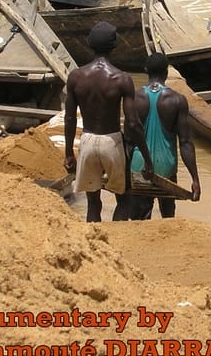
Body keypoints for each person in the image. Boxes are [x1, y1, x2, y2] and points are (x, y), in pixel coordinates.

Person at [64, 22, 153, 222]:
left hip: (87, 141)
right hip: (112, 141)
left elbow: (69, 118)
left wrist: (69, 153)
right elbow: (132, 123)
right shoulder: (121, 78)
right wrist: (146, 157)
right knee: (123, 199)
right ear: (115, 46)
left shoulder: (76, 77)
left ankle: (93, 242)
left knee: (93, 202)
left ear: (88, 44)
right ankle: (116, 239)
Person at [128, 53, 201, 219]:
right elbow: (186, 143)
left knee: (138, 220)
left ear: (146, 70)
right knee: (168, 219)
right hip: (166, 167)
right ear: (166, 72)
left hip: (140, 166)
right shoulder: (178, 100)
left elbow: (129, 139)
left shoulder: (134, 98)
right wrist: (195, 179)